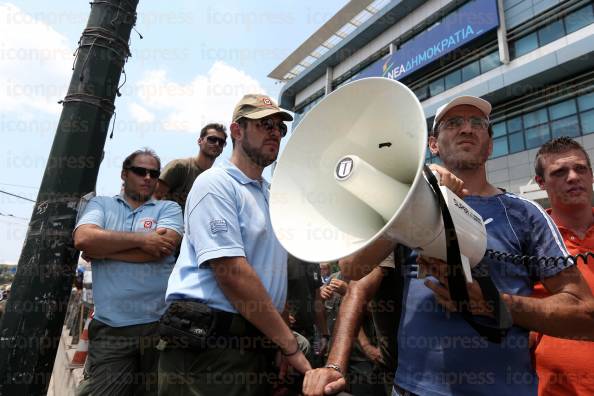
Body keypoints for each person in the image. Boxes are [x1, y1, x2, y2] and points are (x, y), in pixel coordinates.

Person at [304, 96, 594, 396]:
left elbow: (585, 316)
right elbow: (354, 270)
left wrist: (496, 304)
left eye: (477, 124)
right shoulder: (406, 205)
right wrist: (413, 201)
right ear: (433, 145)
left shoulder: (525, 214)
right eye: (453, 123)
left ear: (490, 146)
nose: (466, 129)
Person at [158, 94, 311, 396]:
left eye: (280, 127)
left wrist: (279, 341)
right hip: (209, 350)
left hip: (254, 346)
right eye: (264, 124)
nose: (275, 132)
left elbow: (272, 283)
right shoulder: (215, 183)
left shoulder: (273, 196)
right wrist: (291, 347)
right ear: (237, 131)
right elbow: (231, 272)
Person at [73, 148, 183, 395]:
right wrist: (143, 240)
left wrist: (105, 251)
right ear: (124, 174)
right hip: (113, 329)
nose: (147, 177)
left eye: (153, 173)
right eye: (140, 171)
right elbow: (84, 238)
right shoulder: (101, 204)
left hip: (159, 326)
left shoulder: (168, 209)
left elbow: (162, 249)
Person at [532, 137, 594, 395]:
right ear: (541, 183)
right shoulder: (526, 241)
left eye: (580, 169)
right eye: (559, 172)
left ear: (591, 175)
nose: (572, 177)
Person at [154, 123, 227, 211]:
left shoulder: (216, 181)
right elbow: (154, 198)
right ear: (200, 141)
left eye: (221, 142)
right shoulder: (179, 166)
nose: (217, 144)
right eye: (212, 139)